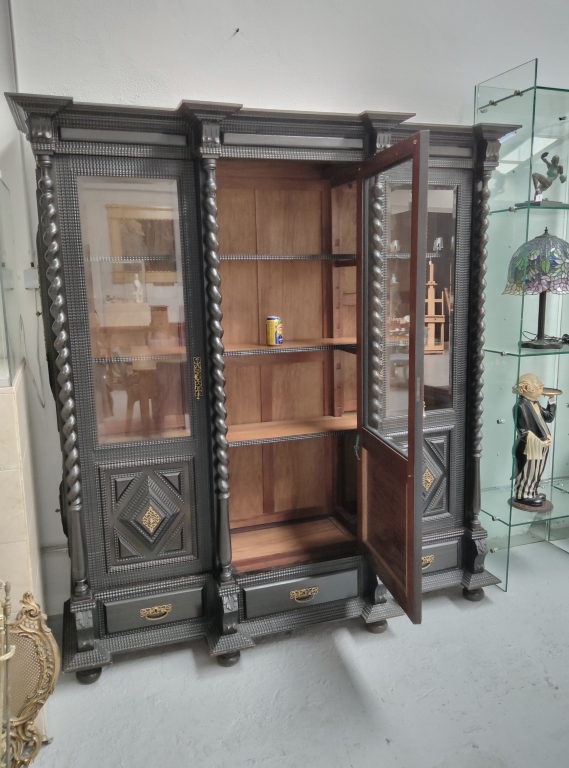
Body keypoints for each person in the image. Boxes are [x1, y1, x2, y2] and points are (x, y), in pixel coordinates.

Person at [512, 373, 558, 506]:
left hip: (542, 445)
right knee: (528, 471)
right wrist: (540, 442)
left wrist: (552, 400)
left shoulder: (535, 404)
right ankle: (523, 494)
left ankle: (532, 491)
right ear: (526, 388)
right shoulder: (520, 406)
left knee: (537, 470)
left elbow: (549, 417)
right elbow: (523, 431)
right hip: (530, 447)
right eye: (537, 383)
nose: (541, 385)